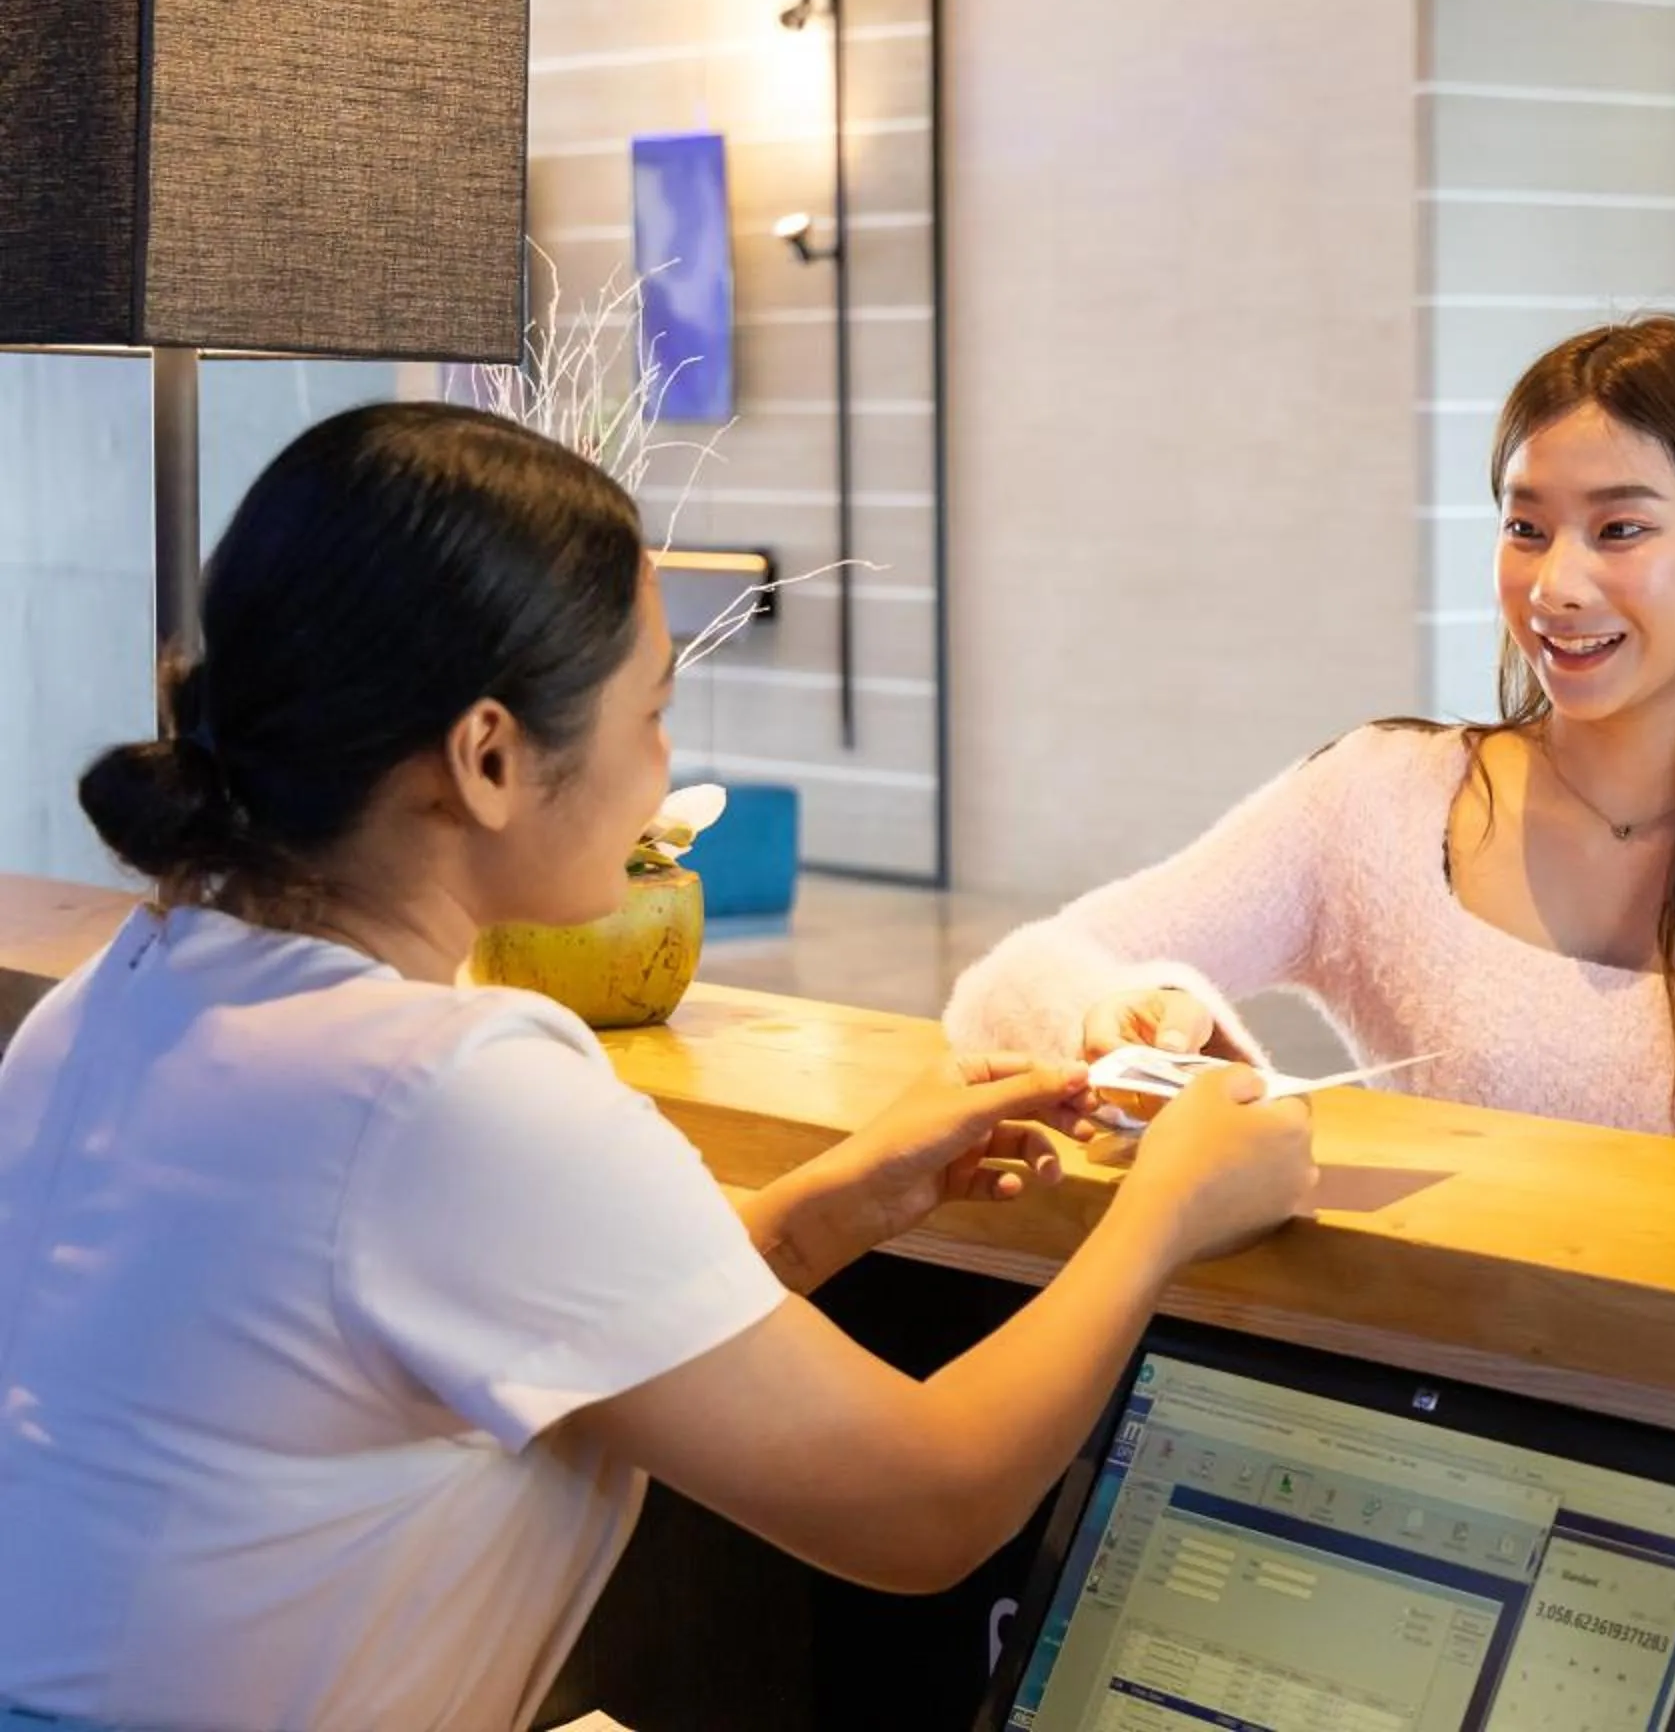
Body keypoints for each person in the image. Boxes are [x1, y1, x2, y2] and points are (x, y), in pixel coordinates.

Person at [0, 405, 1315, 1732]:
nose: (665, 768)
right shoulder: (447, 1091)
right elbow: (925, 1508)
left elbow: (530, 1319)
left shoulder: (120, 998)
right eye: (654, 711)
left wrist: (842, 1200)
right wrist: (1169, 1213)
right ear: (491, 756)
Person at [948, 316, 1675, 1174]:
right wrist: (1131, 1013)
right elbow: (1013, 982)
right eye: (1526, 529)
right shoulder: (1380, 802)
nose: (1558, 585)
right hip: (1422, 1391)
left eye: (1619, 531)